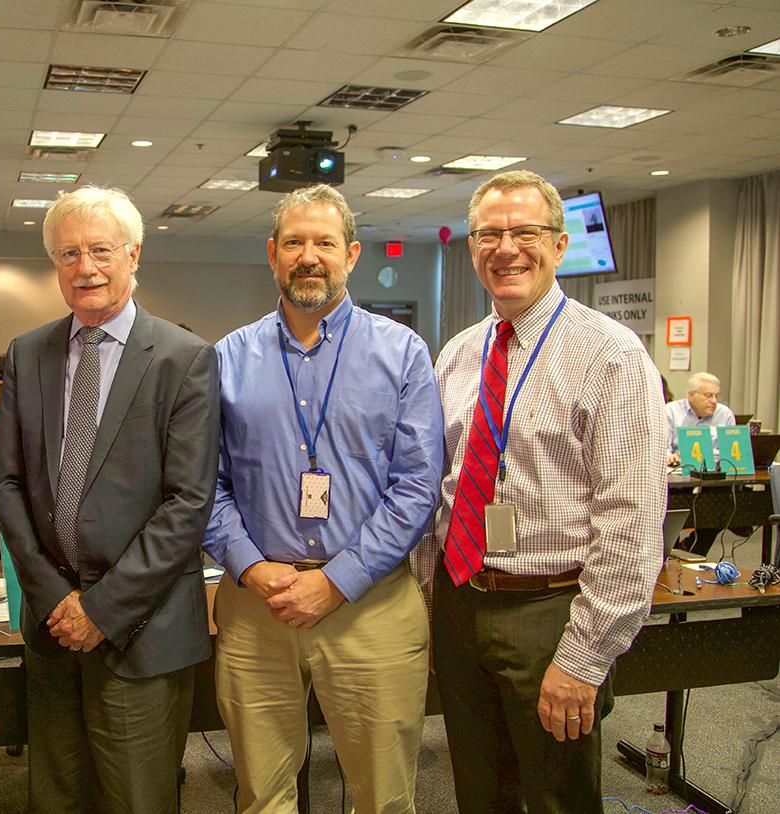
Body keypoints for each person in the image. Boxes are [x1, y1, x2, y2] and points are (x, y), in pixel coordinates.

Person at [415, 169, 667, 814]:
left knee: (557, 797)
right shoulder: (460, 354)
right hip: (462, 603)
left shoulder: (609, 353)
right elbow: (440, 487)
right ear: (471, 249)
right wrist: (430, 600)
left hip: (550, 615)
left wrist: (584, 658)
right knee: (479, 790)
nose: (505, 249)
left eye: (524, 232)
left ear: (559, 245)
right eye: (488, 235)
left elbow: (632, 521)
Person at [204, 184, 443, 813]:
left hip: (372, 607)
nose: (309, 256)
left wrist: (337, 580)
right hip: (258, 608)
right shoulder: (228, 357)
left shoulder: (402, 353)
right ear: (272, 254)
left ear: (353, 254)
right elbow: (205, 483)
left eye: (325, 243)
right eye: (294, 242)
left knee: (384, 798)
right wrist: (252, 568)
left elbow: (418, 486)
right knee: (262, 797)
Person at [0, 186, 219, 814]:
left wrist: (101, 608)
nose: (85, 267)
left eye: (100, 250)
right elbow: (4, 482)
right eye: (68, 253)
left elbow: (188, 502)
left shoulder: (183, 359)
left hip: (140, 632)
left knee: (137, 801)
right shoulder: (28, 353)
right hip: (53, 626)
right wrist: (54, 598)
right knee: (56, 798)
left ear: (133, 254)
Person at [665, 371, 734, 467]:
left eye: (716, 396)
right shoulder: (670, 411)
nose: (714, 401)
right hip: (678, 470)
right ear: (691, 395)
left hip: (714, 472)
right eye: (708, 395)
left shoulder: (725, 414)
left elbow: (729, 453)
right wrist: (670, 457)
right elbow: (663, 449)